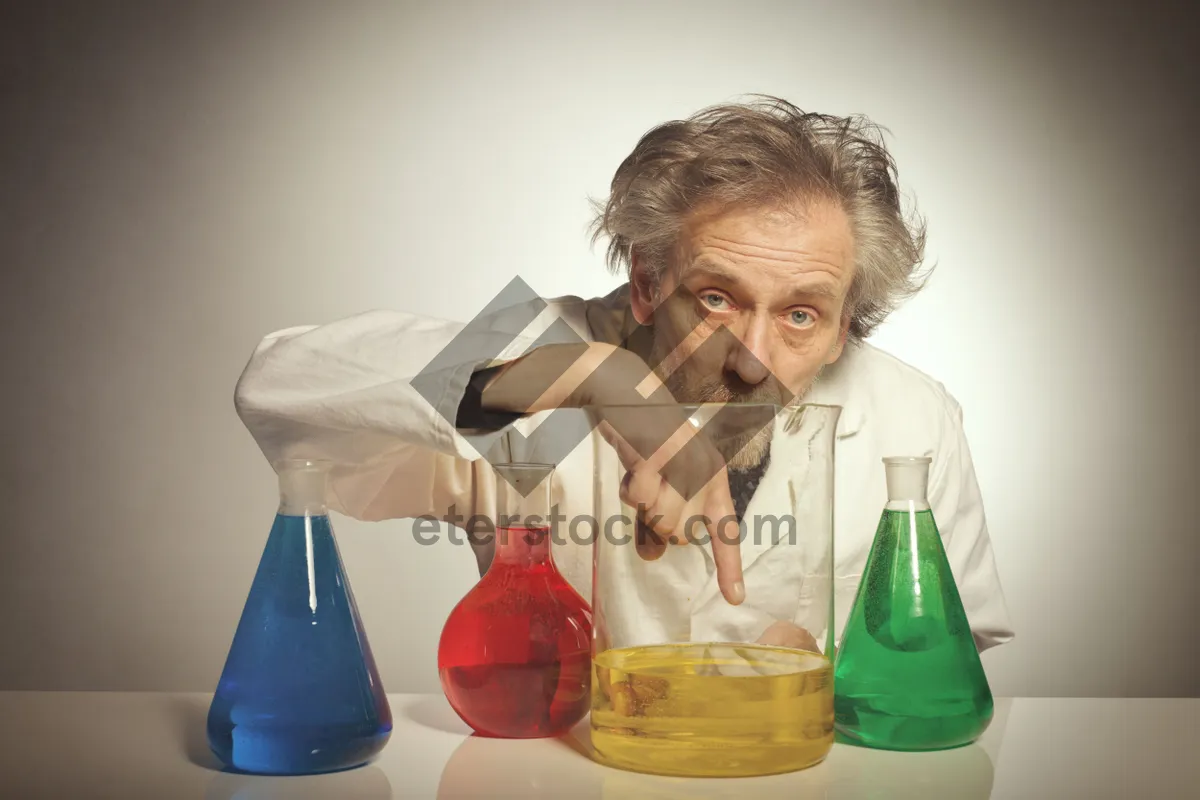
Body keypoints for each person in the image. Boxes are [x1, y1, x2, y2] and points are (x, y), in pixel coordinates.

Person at [234, 96, 1014, 653]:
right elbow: (281, 387)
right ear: (645, 282)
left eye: (801, 314)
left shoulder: (910, 415)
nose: (752, 356)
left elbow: (954, 644)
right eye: (715, 298)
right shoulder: (557, 343)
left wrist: (829, 669)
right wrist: (590, 377)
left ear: (847, 323)